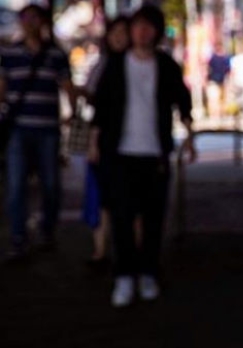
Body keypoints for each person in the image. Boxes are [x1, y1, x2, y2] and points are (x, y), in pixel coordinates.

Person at [90, 4, 195, 307]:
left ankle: (148, 272)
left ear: (157, 32)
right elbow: (102, 107)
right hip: (119, 153)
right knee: (122, 217)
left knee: (153, 217)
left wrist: (189, 136)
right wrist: (96, 144)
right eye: (137, 26)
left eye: (148, 26)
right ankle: (124, 276)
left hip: (155, 153)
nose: (142, 31)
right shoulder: (116, 64)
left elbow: (182, 100)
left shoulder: (165, 65)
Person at [0, 4, 75, 261]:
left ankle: (47, 231)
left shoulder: (56, 54)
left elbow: (67, 86)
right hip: (18, 130)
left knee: (51, 184)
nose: (30, 23)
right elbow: (2, 89)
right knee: (16, 186)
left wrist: (72, 113)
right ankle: (19, 238)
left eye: (35, 18)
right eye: (26, 18)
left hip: (48, 130)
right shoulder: (8, 54)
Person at [81, 14, 130, 267]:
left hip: (134, 144)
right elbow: (95, 105)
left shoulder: (144, 64)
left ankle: (131, 255)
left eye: (124, 31)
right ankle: (101, 250)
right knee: (101, 198)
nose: (119, 37)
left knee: (132, 201)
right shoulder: (102, 65)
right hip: (105, 142)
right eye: (115, 32)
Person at [205, 41, 231, 121]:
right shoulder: (213, 58)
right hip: (214, 81)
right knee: (214, 99)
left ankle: (219, 114)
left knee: (220, 99)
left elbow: (228, 70)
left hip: (221, 81)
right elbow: (208, 69)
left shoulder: (224, 58)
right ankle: (215, 115)